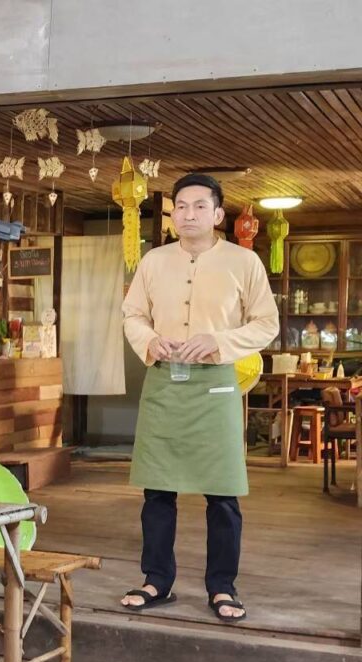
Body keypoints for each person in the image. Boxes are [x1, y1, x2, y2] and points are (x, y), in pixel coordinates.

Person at [120, 173, 278, 623]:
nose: (188, 215)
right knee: (157, 491)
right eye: (181, 207)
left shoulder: (244, 262)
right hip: (164, 382)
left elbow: (266, 324)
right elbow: (132, 314)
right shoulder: (154, 261)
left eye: (199, 206)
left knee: (223, 494)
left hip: (217, 385)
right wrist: (150, 340)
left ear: (218, 214)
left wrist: (219, 341)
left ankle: (222, 587)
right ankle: (156, 580)